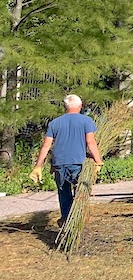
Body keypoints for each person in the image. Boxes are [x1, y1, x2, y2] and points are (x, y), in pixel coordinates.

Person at [29, 94, 103, 225]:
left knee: (64, 194)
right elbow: (90, 142)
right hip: (78, 164)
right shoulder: (86, 121)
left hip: (59, 164)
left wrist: (38, 166)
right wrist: (98, 161)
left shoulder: (55, 123)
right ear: (80, 106)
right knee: (80, 193)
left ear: (65, 107)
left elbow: (46, 146)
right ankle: (77, 219)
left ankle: (66, 219)